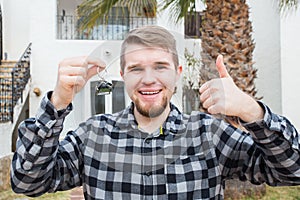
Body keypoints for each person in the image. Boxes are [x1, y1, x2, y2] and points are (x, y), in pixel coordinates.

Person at [11, 25, 300, 199]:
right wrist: (57, 103)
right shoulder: (92, 135)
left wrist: (252, 110)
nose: (149, 79)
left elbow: (292, 171)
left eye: (160, 67)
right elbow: (27, 181)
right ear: (123, 75)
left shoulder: (209, 134)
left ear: (178, 73)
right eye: (137, 69)